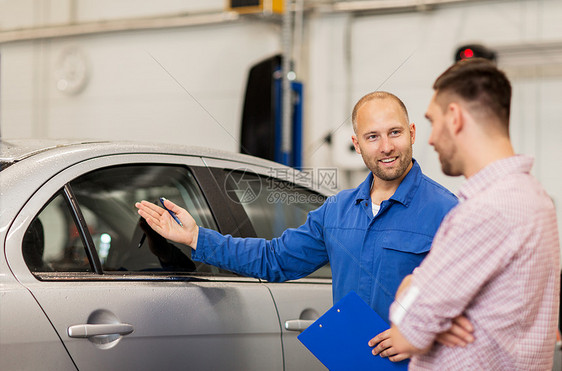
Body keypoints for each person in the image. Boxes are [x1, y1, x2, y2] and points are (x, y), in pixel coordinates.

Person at [136, 91, 461, 362]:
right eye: (372, 137)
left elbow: (474, 301)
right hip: (352, 362)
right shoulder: (337, 211)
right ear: (357, 144)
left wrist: (425, 332)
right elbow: (273, 259)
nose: (386, 147)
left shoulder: (447, 211)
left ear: (413, 132)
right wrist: (196, 237)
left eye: (395, 132)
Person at [386, 58, 561, 370]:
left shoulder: (486, 210)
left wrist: (411, 285)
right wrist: (433, 315)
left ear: (454, 117)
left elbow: (407, 335)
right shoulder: (534, 197)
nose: (429, 138)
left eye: (432, 121)